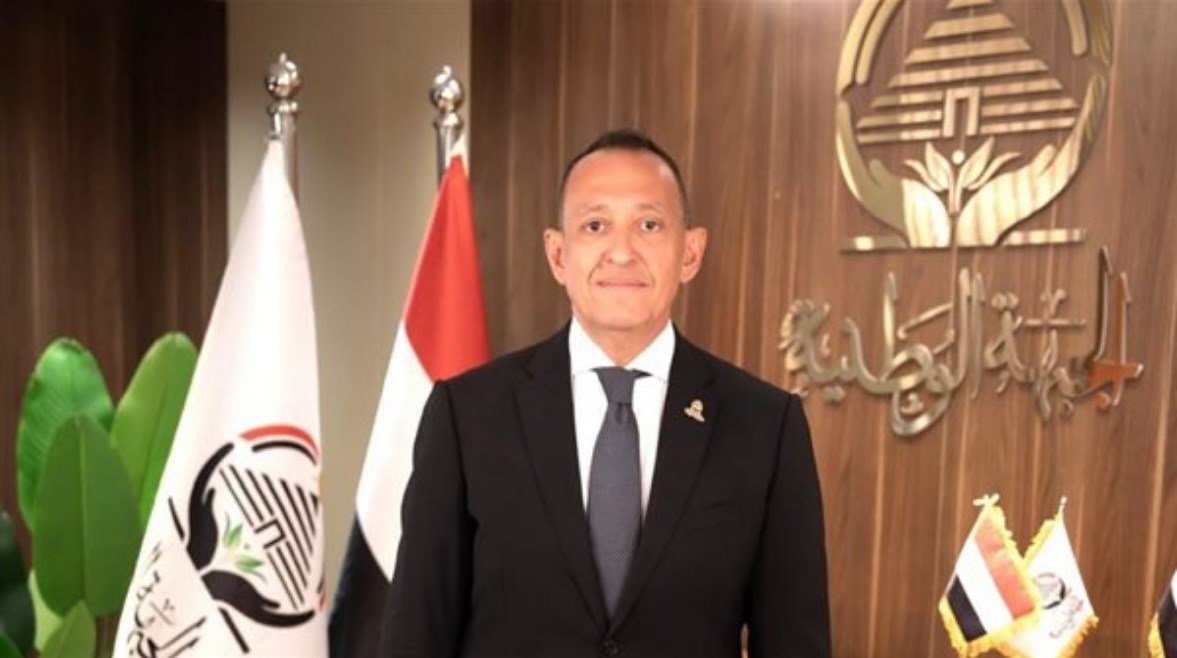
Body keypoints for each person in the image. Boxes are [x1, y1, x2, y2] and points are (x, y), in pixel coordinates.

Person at [381, 129, 830, 657]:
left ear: (690, 252)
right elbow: (417, 633)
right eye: (595, 225)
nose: (621, 252)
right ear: (558, 254)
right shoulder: (468, 415)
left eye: (649, 225)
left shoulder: (765, 426)